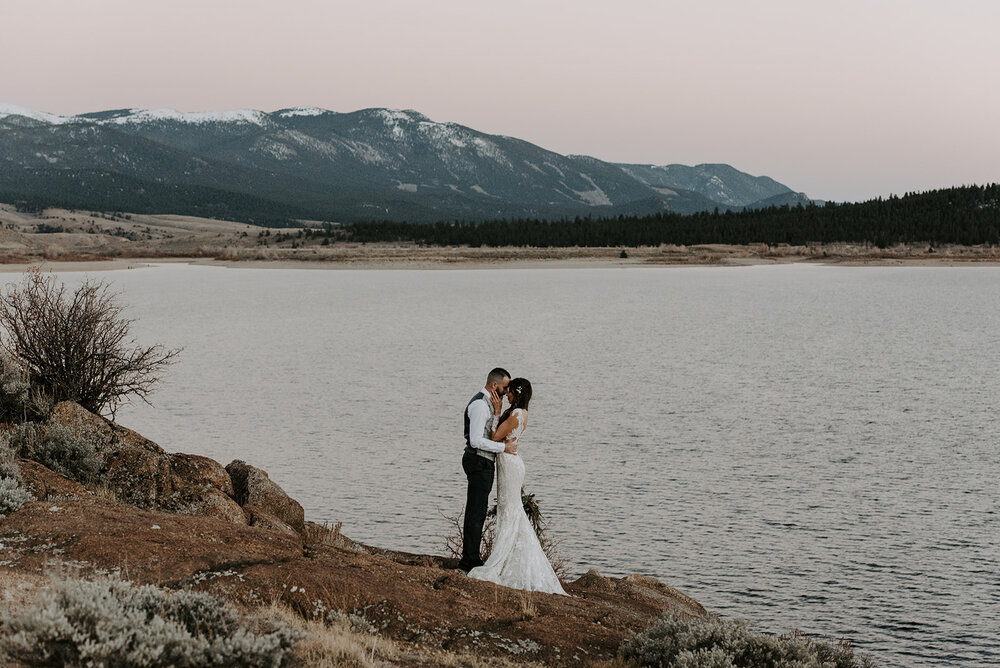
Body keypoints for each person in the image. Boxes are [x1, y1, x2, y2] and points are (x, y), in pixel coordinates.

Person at [468, 378, 567, 595]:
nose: (506, 395)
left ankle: (505, 561)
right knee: (509, 509)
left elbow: (495, 436)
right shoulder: (520, 413)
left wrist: (496, 411)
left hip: (510, 465)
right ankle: (508, 557)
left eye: (510, 392)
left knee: (511, 509)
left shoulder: (516, 414)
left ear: (518, 393)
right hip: (509, 462)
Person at [459, 367, 516, 573]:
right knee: (476, 512)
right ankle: (469, 561)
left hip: (483, 462)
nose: (506, 391)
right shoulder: (480, 406)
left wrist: (498, 412)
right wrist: (504, 447)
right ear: (494, 385)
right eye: (504, 387)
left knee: (479, 511)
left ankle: (471, 557)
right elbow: (475, 441)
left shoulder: (489, 405)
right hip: (478, 461)